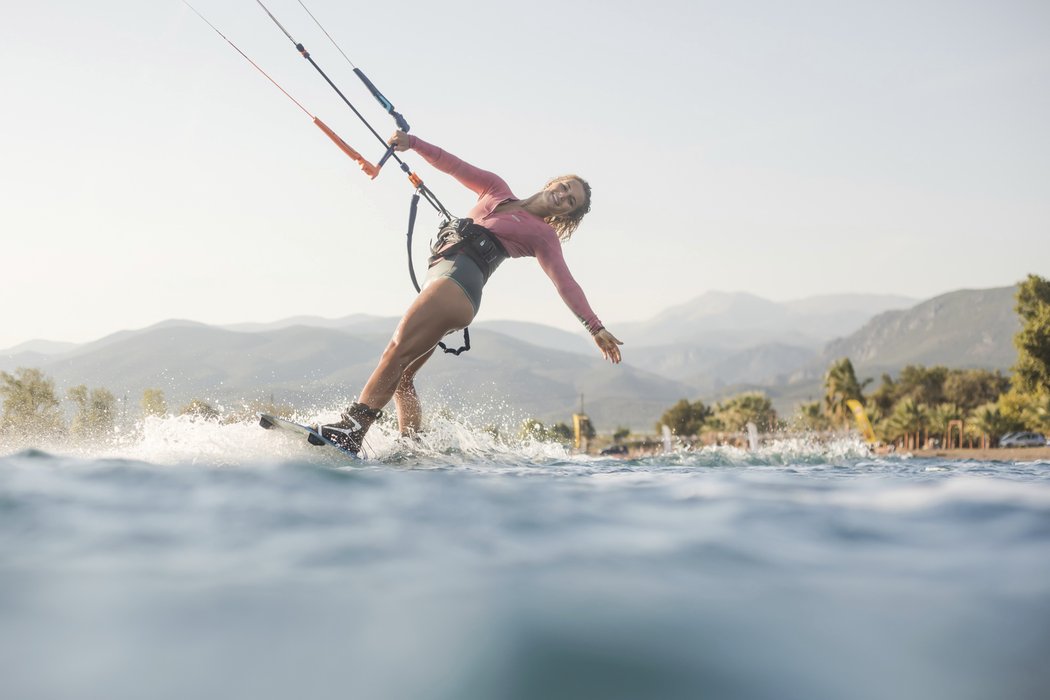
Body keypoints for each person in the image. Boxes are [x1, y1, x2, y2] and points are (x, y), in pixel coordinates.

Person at [316, 131, 623, 454]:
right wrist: (414, 144)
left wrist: (594, 326)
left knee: (395, 350)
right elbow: (453, 165)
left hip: (457, 287)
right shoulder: (495, 188)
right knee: (403, 376)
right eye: (564, 187)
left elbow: (565, 283)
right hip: (445, 285)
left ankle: (351, 429)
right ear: (553, 182)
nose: (563, 196)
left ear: (566, 216)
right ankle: (411, 450)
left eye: (570, 201)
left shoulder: (543, 236)